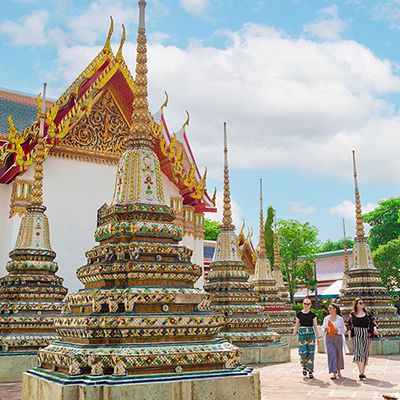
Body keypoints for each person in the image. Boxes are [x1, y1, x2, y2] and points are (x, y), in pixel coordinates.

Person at [346, 297, 379, 381]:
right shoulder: (352, 314)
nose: (362, 304)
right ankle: (360, 373)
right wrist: (349, 337)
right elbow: (349, 326)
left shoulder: (368, 314)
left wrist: (375, 330)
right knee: (359, 352)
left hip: (367, 334)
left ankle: (363, 372)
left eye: (363, 302)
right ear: (356, 304)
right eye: (360, 303)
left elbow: (373, 323)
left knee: (365, 353)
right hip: (356, 334)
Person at [293, 298, 321, 379]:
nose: (306, 305)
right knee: (303, 352)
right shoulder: (299, 314)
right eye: (305, 303)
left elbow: (315, 327)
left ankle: (310, 371)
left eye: (308, 304)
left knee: (311, 352)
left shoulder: (313, 315)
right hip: (302, 333)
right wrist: (294, 335)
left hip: (311, 334)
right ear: (302, 304)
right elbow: (296, 325)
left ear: (310, 305)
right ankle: (304, 366)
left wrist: (318, 337)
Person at [322, 303, 348, 380]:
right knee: (331, 353)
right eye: (329, 308)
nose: (329, 309)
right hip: (329, 337)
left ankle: (339, 370)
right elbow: (323, 328)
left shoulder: (340, 319)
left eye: (330, 308)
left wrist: (337, 330)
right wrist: (325, 329)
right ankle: (333, 372)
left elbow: (344, 329)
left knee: (338, 354)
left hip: (338, 337)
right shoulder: (326, 318)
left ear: (335, 309)